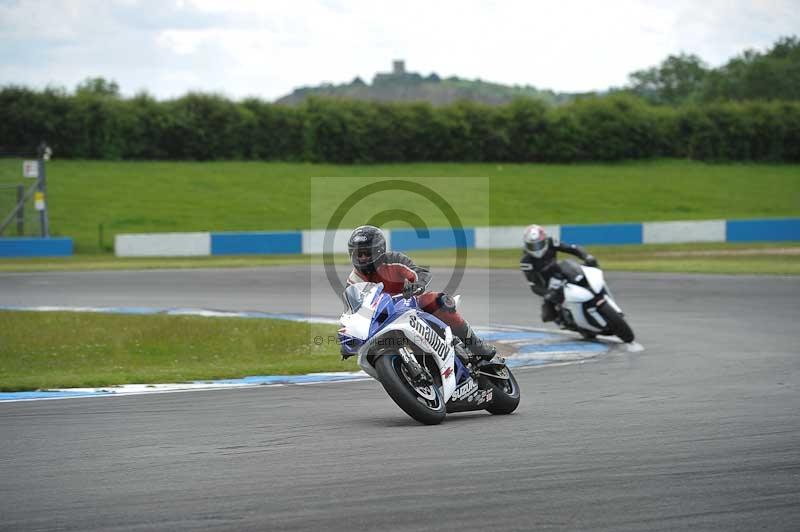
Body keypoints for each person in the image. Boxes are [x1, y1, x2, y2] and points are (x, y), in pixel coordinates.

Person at [342, 225, 496, 360]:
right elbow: (353, 312)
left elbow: (419, 273)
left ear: (378, 251)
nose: (362, 258)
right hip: (381, 319)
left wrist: (417, 285)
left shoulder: (394, 259)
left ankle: (477, 346)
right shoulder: (353, 280)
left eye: (366, 253)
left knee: (437, 300)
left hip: (409, 304)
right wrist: (349, 340)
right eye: (358, 254)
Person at [519, 224, 598, 323]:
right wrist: (547, 294)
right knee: (548, 315)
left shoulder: (551, 242)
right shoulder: (526, 262)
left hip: (559, 270)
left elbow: (572, 248)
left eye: (539, 244)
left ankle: (596, 296)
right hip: (547, 284)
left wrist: (586, 256)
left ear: (545, 241)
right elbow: (533, 285)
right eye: (532, 246)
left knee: (583, 275)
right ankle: (565, 318)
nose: (536, 248)